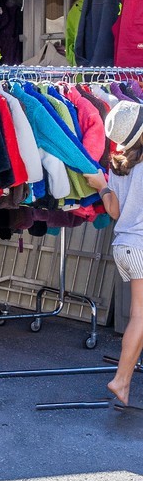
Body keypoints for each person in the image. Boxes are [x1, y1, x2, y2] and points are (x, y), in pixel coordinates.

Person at [96, 103, 143, 406]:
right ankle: (121, 379)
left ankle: (124, 383)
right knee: (140, 317)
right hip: (141, 245)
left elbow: (113, 210)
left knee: (139, 316)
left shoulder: (120, 165)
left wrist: (101, 186)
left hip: (124, 246)